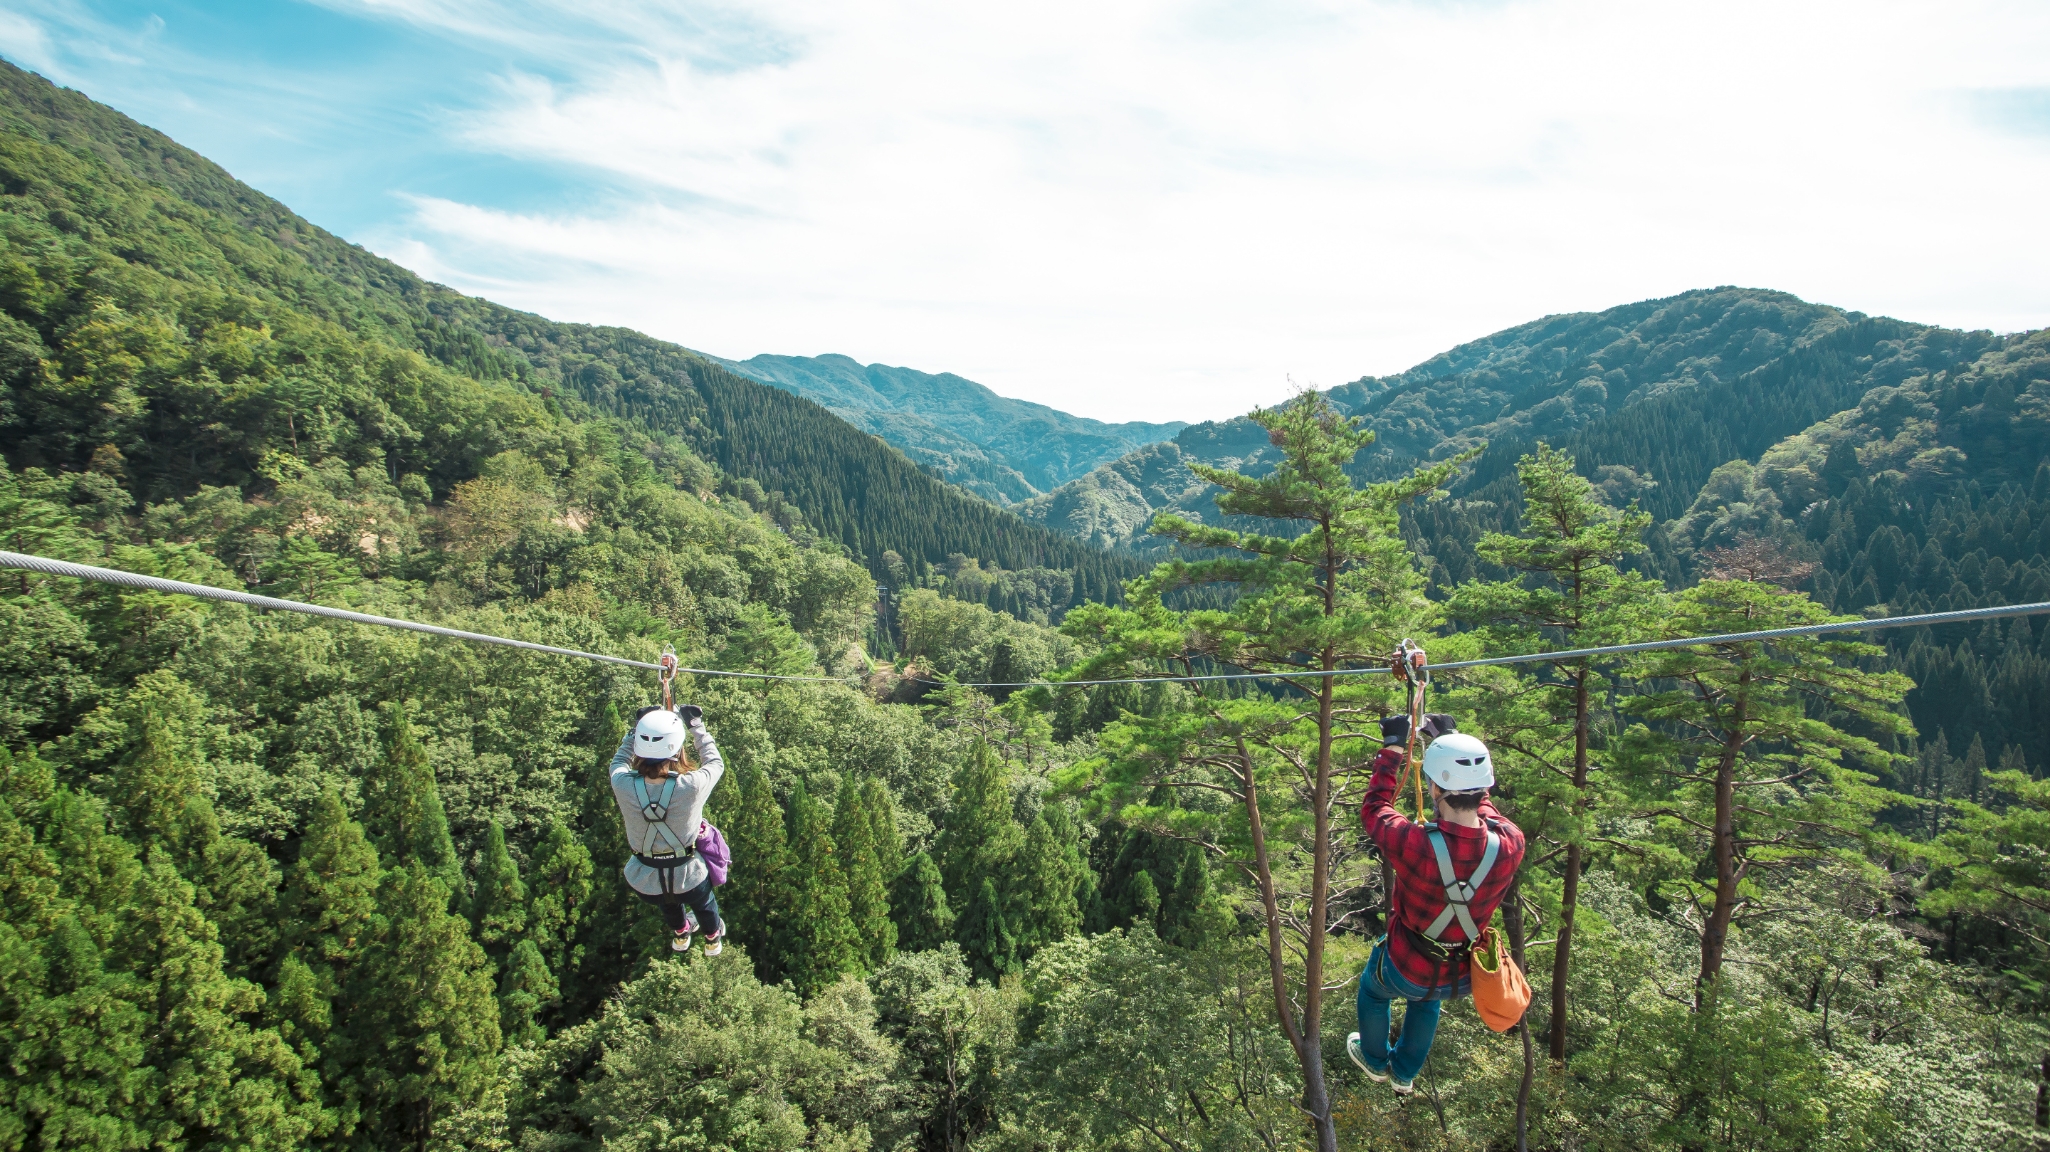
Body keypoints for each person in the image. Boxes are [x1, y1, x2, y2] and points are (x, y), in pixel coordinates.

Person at [1348, 712, 1526, 1094]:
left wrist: (1394, 746)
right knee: (1427, 1000)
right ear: (1483, 789)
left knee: (1374, 989)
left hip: (1404, 966)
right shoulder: (1511, 842)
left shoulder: (1416, 844)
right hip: (1459, 976)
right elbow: (1487, 811)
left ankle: (1376, 1061)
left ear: (1434, 789)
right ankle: (1404, 1073)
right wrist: (1450, 737)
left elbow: (1375, 807)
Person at [610, 703, 727, 954]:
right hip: (689, 876)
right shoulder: (691, 786)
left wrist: (636, 730)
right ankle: (712, 937)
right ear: (676, 749)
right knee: (704, 902)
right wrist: (696, 726)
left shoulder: (622, 784)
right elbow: (715, 762)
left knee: (667, 900)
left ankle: (681, 932)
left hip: (644, 879)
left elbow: (620, 759)